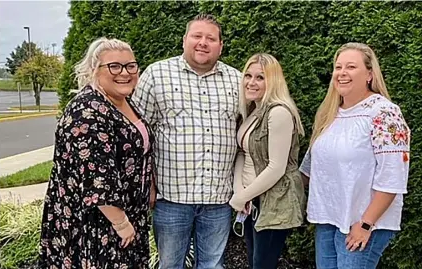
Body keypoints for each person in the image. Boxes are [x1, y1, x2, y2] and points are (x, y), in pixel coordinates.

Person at [133, 14, 242, 269]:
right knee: (170, 265)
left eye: (210, 38)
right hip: (171, 198)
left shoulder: (237, 81)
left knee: (213, 265)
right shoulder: (157, 75)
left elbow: (245, 136)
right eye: (197, 36)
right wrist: (147, 183)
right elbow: (138, 136)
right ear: (184, 40)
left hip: (218, 200)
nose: (203, 43)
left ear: (220, 46)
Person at [39, 37, 154, 268]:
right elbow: (96, 178)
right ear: (94, 69)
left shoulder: (124, 101)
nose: (125, 72)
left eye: (131, 65)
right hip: (95, 222)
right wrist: (121, 224)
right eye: (114, 66)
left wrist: (148, 189)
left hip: (126, 214)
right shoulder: (86, 111)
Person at [299, 42, 411, 269]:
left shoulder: (384, 113)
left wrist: (366, 224)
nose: (342, 73)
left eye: (351, 67)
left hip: (363, 223)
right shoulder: (329, 114)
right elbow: (311, 169)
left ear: (369, 74)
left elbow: (393, 177)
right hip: (328, 220)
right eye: (338, 67)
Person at [229, 53, 306, 269]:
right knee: (255, 259)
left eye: (260, 78)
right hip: (253, 199)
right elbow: (243, 153)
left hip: (274, 200)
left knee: (263, 263)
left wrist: (243, 195)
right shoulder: (253, 111)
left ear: (273, 82)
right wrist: (240, 192)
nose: (251, 82)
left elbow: (277, 167)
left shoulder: (279, 112)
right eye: (248, 75)